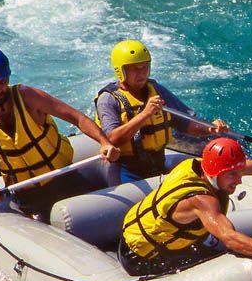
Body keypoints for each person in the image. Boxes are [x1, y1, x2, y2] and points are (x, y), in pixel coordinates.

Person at [0, 47, 120, 218]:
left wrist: (104, 142)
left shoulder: (29, 97)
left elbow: (77, 118)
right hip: (25, 192)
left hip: (64, 178)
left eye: (2, 81)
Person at [120, 137, 252, 277]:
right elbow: (231, 239)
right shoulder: (202, 201)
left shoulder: (205, 167)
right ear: (216, 173)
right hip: (143, 257)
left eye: (238, 172)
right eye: (233, 175)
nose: (239, 180)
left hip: (151, 234)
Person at [93, 40, 231, 183]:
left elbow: (186, 124)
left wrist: (210, 129)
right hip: (125, 170)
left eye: (144, 67)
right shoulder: (108, 99)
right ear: (121, 71)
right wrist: (145, 114)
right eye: (135, 68)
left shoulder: (157, 90)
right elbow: (111, 140)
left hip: (158, 163)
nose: (141, 73)